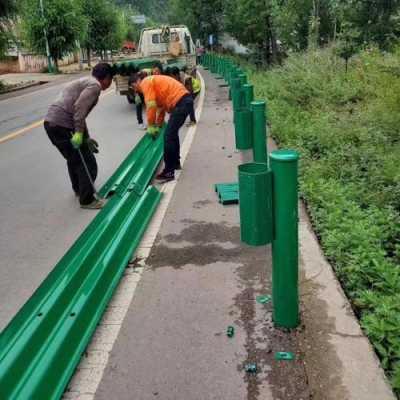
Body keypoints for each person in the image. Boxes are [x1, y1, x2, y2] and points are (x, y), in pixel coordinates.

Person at [44, 63, 114, 209]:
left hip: (52, 124)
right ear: (106, 77)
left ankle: (78, 189)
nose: (111, 83)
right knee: (87, 162)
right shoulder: (95, 86)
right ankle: (87, 200)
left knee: (74, 158)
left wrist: (85, 137)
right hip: (63, 125)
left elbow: (80, 116)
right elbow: (79, 109)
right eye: (111, 79)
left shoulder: (86, 81)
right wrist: (78, 134)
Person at [131, 72, 193, 182]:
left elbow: (150, 105)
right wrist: (158, 125)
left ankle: (169, 171)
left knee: (168, 137)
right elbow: (160, 108)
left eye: (133, 86)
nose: (135, 90)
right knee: (172, 135)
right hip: (184, 101)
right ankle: (175, 163)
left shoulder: (145, 83)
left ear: (137, 82)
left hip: (180, 102)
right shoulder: (153, 84)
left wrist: (150, 126)